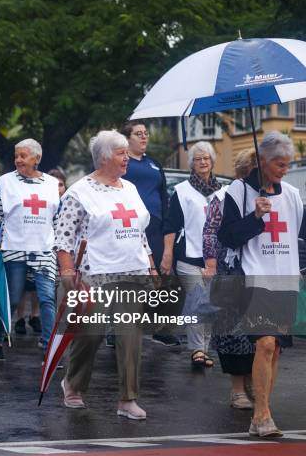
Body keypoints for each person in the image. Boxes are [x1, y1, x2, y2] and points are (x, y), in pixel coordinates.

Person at [56, 130, 158, 419]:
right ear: (103, 158)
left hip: (131, 272)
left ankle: (128, 399)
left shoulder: (130, 189)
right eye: (120, 153)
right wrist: (68, 275)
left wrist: (150, 264)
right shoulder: (79, 192)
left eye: (126, 152)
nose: (127, 157)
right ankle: (73, 384)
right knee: (90, 335)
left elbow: (140, 233)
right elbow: (63, 238)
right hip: (94, 274)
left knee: (131, 337)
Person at [219, 131, 306, 437]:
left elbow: (302, 235)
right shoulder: (239, 191)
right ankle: (262, 414)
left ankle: (263, 410)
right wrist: (255, 217)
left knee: (275, 350)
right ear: (265, 162)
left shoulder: (293, 195)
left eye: (288, 164)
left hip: (285, 279)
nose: (285, 169)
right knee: (265, 342)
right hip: (254, 277)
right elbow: (226, 237)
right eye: (280, 164)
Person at [0, 139, 59, 361]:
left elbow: (57, 220)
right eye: (16, 155)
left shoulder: (52, 183)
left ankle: (49, 349)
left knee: (47, 299)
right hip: (14, 249)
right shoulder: (5, 182)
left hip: (45, 250)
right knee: (13, 299)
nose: (18, 160)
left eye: (23, 156)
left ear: (36, 159)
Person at [202, 149, 257, 408]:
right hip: (231, 268)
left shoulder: (274, 196)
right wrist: (211, 262)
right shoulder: (223, 196)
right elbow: (211, 231)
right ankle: (237, 389)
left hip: (261, 270)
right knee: (234, 331)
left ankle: (252, 381)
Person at [121, 120, 180, 349]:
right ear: (127, 139)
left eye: (146, 133)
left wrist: (168, 242)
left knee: (161, 279)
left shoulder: (154, 164)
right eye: (138, 134)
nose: (144, 137)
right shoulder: (121, 163)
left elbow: (164, 198)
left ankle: (161, 329)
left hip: (155, 228)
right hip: (127, 228)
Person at [167, 141, 222, 367]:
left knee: (209, 303)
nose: (202, 162)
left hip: (215, 258)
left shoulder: (223, 191)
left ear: (212, 161)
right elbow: (171, 225)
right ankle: (198, 349)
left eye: (206, 158)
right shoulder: (181, 191)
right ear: (192, 163)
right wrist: (167, 254)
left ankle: (205, 348)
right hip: (188, 256)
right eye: (198, 159)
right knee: (197, 300)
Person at [14, 169, 66, 338]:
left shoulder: (67, 204)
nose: (58, 188)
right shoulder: (36, 198)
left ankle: (37, 320)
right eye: (55, 184)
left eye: (61, 184)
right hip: (28, 248)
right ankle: (20, 318)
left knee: (45, 293)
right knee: (22, 287)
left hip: (52, 253)